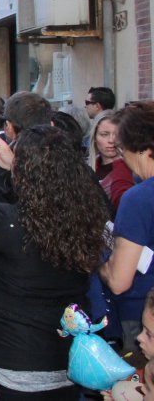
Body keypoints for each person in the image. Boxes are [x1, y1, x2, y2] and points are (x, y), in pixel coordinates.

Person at [0, 125, 107, 399]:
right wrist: (13, 169)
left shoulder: (6, 222)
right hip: (66, 361)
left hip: (14, 362)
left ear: (24, 171)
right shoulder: (84, 218)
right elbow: (41, 204)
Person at [100, 101, 154, 352]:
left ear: (141, 148)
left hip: (142, 315)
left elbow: (118, 280)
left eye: (121, 149)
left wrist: (99, 260)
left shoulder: (139, 198)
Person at [90, 110, 134, 213]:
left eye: (117, 134)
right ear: (95, 138)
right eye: (104, 134)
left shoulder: (134, 170)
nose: (111, 140)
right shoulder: (85, 169)